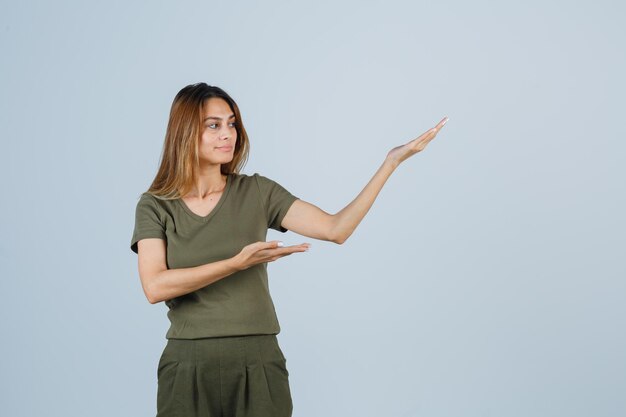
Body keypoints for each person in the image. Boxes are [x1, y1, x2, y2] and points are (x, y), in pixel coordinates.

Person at [130, 82, 448, 417]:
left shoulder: (258, 191)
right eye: (214, 125)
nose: (228, 134)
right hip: (187, 365)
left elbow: (336, 229)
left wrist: (391, 163)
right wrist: (236, 263)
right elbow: (155, 287)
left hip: (258, 359)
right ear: (184, 132)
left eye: (232, 123)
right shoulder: (155, 205)